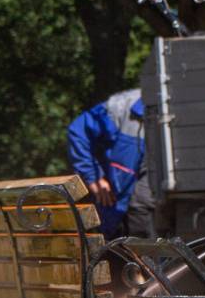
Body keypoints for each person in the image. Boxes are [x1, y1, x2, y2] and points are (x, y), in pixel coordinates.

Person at [66, 87, 155, 238]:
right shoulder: (121, 107)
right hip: (114, 201)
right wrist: (93, 177)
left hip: (140, 204)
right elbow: (78, 131)